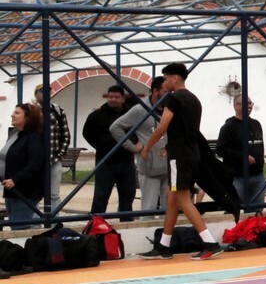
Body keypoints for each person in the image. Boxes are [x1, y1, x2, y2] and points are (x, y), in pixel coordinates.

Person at [135, 63, 223, 260]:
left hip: (180, 157)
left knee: (182, 198)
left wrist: (147, 147)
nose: (164, 82)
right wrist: (170, 146)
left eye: (166, 78)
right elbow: (186, 129)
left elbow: (161, 127)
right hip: (191, 153)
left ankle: (210, 242)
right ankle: (164, 245)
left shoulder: (173, 98)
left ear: (175, 78)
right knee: (171, 198)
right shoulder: (194, 99)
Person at [82, 84, 137, 216]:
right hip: (105, 161)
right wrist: (100, 145)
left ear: (123, 99)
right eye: (110, 96)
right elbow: (87, 133)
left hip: (126, 161)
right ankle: (95, 227)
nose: (113, 99)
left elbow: (138, 132)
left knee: (127, 197)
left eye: (116, 97)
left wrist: (133, 144)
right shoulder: (96, 115)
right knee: (100, 197)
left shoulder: (131, 115)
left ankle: (126, 224)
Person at [111, 85, 167, 213]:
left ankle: (166, 233)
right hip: (149, 166)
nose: (169, 94)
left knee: (168, 210)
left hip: (168, 166)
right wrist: (131, 146)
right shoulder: (140, 110)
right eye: (165, 91)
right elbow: (115, 127)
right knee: (149, 208)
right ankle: (147, 232)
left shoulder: (170, 109)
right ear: (155, 91)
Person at [216, 95, 266, 208]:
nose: (249, 106)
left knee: (257, 211)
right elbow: (220, 149)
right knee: (236, 209)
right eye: (245, 103)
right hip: (237, 177)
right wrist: (242, 156)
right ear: (236, 106)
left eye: (250, 103)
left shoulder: (256, 124)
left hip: (257, 175)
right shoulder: (228, 127)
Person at [2, 103, 49, 228]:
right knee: (14, 226)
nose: (12, 115)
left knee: (20, 227)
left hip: (25, 191)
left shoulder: (34, 137)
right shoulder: (17, 136)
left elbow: (35, 163)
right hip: (12, 190)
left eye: (17, 113)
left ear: (28, 117)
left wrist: (15, 179)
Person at [34, 85, 69, 215]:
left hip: (54, 159)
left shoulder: (58, 110)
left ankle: (54, 221)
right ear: (36, 94)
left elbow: (65, 134)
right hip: (36, 160)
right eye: (43, 91)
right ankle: (35, 222)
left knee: (54, 194)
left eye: (48, 91)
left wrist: (60, 154)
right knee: (35, 193)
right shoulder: (31, 111)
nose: (46, 94)